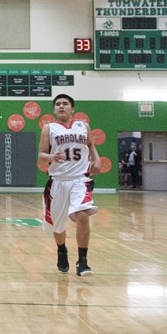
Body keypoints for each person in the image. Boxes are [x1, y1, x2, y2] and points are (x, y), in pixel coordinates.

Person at [37, 94, 100, 276]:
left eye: (65, 104)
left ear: (72, 109)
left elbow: (90, 144)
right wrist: (52, 157)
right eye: (57, 104)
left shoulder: (83, 126)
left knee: (81, 214)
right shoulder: (49, 128)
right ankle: (61, 249)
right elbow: (41, 155)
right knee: (57, 226)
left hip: (80, 179)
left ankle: (82, 262)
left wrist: (96, 159)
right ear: (54, 109)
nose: (61, 106)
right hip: (58, 181)